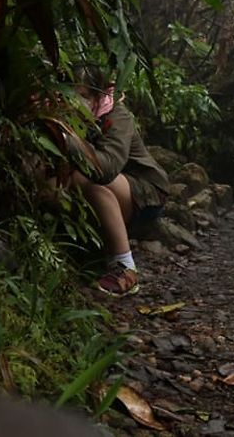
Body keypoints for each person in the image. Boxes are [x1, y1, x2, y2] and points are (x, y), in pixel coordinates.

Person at [65, 66, 170, 297]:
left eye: (83, 95)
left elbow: (106, 168)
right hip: (116, 192)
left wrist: (67, 137)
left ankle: (125, 267)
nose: (76, 101)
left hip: (145, 191)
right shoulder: (66, 114)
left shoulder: (117, 116)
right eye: (72, 94)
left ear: (98, 96)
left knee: (86, 178)